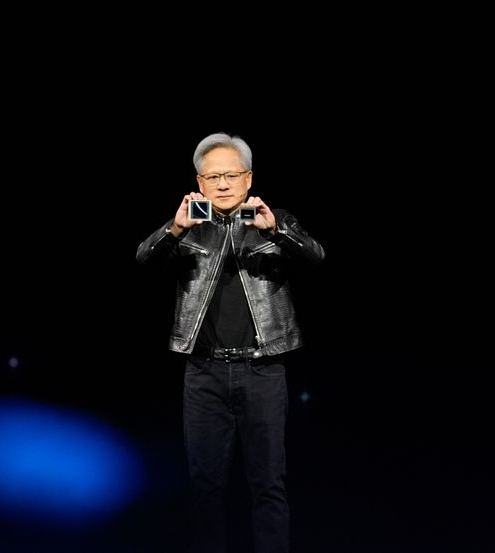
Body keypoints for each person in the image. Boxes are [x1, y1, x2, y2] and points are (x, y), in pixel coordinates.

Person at [136, 132, 325, 553]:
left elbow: (317, 258)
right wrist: (174, 230)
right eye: (213, 176)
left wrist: (277, 232)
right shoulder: (187, 225)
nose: (222, 184)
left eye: (231, 175)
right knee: (204, 487)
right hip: (203, 373)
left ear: (249, 178)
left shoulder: (273, 220)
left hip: (263, 369)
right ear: (199, 183)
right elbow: (143, 261)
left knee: (268, 485)